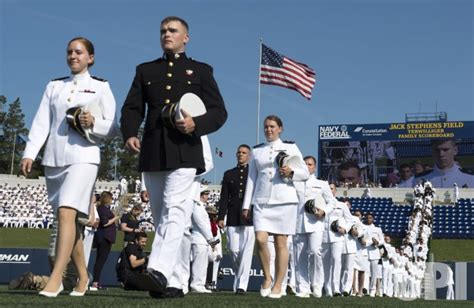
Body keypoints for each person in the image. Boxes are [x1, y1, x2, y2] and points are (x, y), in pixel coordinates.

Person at [120, 15, 227, 296]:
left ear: (186, 37)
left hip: (185, 150)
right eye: (163, 31)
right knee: (162, 217)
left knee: (174, 210)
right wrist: (130, 132)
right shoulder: (145, 70)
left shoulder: (201, 71)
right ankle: (176, 282)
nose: (166, 34)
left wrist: (196, 125)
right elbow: (132, 108)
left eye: (173, 30)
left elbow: (219, 112)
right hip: (153, 150)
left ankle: (156, 271)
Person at [20, 37, 116, 297]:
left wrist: (93, 121)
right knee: (67, 221)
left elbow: (112, 126)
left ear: (90, 58)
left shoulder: (101, 87)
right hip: (53, 160)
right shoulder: (54, 86)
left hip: (84, 157)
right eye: (70, 52)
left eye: (79, 52)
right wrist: (30, 153)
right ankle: (83, 276)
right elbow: (42, 122)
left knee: (66, 213)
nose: (73, 56)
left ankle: (56, 278)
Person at [242, 115, 309, 299]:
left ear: (280, 128)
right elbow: (251, 179)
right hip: (262, 201)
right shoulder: (257, 151)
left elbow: (304, 172)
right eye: (266, 127)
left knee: (281, 242)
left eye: (272, 126)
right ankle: (267, 277)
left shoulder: (290, 147)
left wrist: (291, 171)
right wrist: (246, 205)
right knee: (261, 239)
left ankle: (278, 284)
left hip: (285, 199)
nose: (268, 130)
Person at [292, 155, 333, 298]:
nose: (307, 166)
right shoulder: (294, 182)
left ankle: (316, 285)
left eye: (310, 164)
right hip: (297, 223)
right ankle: (303, 287)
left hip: (316, 223)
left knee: (315, 252)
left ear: (314, 167)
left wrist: (324, 211)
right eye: (305, 164)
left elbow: (331, 202)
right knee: (299, 256)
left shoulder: (321, 183)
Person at [217, 144, 255, 295]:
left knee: (246, 252)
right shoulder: (228, 174)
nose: (241, 155)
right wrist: (221, 217)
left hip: (249, 217)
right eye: (239, 152)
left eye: (244, 153)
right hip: (232, 216)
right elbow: (224, 197)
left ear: (249, 156)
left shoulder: (253, 174)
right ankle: (239, 278)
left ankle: (241, 286)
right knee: (233, 250)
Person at [91, 191, 119, 291]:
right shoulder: (102, 208)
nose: (112, 200)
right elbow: (105, 223)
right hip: (104, 237)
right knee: (100, 261)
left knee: (100, 260)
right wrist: (115, 217)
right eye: (111, 198)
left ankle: (96, 282)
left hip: (105, 237)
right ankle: (95, 283)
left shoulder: (103, 208)